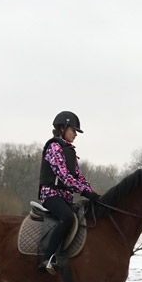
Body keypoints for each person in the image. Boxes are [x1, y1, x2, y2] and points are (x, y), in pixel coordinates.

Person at [37, 111, 99, 273]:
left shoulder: (70, 151)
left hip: (65, 197)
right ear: (62, 128)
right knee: (67, 218)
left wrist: (93, 194)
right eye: (73, 130)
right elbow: (64, 176)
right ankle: (47, 258)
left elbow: (80, 177)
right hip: (50, 195)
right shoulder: (54, 148)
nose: (75, 134)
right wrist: (84, 192)